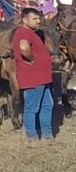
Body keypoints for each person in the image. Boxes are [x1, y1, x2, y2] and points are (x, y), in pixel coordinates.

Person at [11, 8, 55, 142]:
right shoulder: (23, 32)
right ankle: (32, 137)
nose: (38, 21)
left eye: (38, 18)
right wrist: (32, 59)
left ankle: (47, 135)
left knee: (47, 105)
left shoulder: (32, 33)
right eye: (34, 19)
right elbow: (23, 47)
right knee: (32, 107)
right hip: (33, 77)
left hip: (42, 77)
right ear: (25, 20)